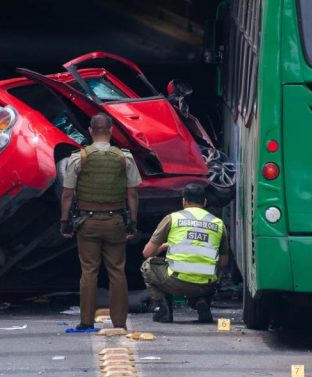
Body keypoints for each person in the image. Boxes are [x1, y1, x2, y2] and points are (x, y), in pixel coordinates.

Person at [60, 113, 141, 330]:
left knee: (89, 271)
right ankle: (120, 323)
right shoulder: (125, 158)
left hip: (87, 223)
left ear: (90, 131)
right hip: (115, 222)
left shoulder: (79, 158)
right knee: (117, 271)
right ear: (112, 130)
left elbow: (67, 194)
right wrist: (132, 222)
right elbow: (132, 194)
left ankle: (86, 321)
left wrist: (64, 222)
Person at [140, 183, 229, 323]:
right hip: (205, 285)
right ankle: (201, 301)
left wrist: (163, 247)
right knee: (216, 268)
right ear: (204, 202)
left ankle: (164, 310)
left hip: (175, 281)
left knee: (147, 265)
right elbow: (224, 262)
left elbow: (147, 253)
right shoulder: (218, 223)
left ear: (184, 201)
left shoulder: (172, 218)